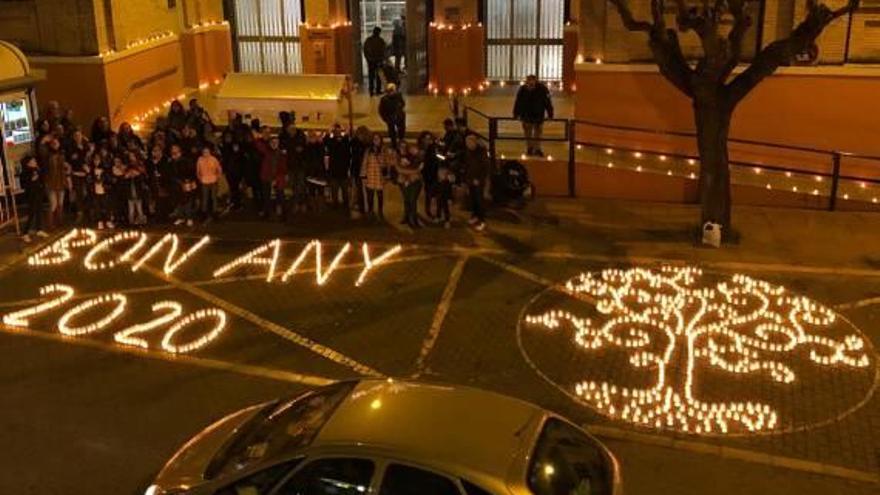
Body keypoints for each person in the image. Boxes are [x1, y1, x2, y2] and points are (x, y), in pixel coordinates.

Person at [513, 74, 554, 156]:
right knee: (529, 133)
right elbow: (518, 102)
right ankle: (530, 148)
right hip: (528, 115)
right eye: (529, 82)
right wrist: (516, 113)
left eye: (531, 81)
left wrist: (550, 113)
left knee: (537, 133)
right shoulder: (523, 89)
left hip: (536, 115)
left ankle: (536, 148)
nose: (530, 83)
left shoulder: (542, 89)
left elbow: (547, 102)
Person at [255, 134, 288, 220]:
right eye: (272, 142)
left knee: (280, 196)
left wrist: (278, 177)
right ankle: (268, 213)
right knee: (266, 196)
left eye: (276, 142)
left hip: (277, 178)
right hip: (267, 177)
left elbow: (283, 167)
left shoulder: (281, 154)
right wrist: (259, 137)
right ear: (269, 143)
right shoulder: (267, 151)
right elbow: (259, 145)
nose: (274, 144)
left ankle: (282, 213)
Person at [462, 134, 490, 231]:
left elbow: (485, 167)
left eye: (469, 143)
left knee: (479, 201)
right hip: (471, 179)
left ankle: (482, 220)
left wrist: (478, 179)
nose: (468, 145)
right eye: (467, 143)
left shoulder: (481, 152)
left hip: (478, 181)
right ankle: (475, 216)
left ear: (474, 142)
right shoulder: (468, 152)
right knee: (473, 199)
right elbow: (467, 166)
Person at [19, 155, 48, 242]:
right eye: (33, 161)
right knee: (32, 213)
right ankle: (24, 233)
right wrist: (31, 179)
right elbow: (23, 185)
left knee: (39, 211)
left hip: (38, 194)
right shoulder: (24, 173)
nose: (35, 162)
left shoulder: (37, 170)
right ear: (28, 164)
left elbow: (42, 179)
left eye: (35, 161)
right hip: (31, 196)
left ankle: (39, 230)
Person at [42, 137, 68, 230]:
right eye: (53, 143)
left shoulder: (62, 154)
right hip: (51, 182)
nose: (55, 145)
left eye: (56, 143)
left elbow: (64, 168)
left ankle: (60, 222)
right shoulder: (47, 155)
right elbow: (45, 169)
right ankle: (50, 224)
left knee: (60, 203)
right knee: (54, 204)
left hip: (60, 181)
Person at [324, 123, 351, 211]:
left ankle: (343, 207)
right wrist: (330, 130)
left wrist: (331, 129)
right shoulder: (333, 142)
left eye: (339, 131)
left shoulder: (343, 141)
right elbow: (325, 140)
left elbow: (347, 134)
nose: (338, 132)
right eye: (336, 131)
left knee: (344, 193)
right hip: (336, 172)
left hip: (341, 171)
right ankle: (340, 207)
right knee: (336, 192)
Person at [397, 141, 423, 228]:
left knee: (412, 200)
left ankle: (413, 219)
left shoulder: (412, 157)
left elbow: (415, 167)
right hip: (403, 181)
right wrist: (414, 171)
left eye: (404, 147)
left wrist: (412, 174)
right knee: (407, 199)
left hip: (414, 181)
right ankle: (407, 217)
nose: (403, 149)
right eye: (401, 147)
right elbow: (400, 169)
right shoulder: (397, 157)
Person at [361, 133, 386, 218]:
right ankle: (371, 211)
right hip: (370, 175)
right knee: (370, 196)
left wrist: (380, 158)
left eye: (378, 139)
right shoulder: (368, 150)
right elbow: (364, 163)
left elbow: (385, 164)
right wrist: (363, 175)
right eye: (374, 139)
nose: (376, 140)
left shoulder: (383, 150)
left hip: (379, 176)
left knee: (380, 196)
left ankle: (380, 211)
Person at [418, 131, 440, 221]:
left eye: (429, 138)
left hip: (434, 173)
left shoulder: (433, 148)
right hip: (426, 174)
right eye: (426, 139)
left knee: (434, 195)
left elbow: (438, 158)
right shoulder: (422, 149)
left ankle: (434, 213)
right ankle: (429, 212)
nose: (428, 140)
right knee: (428, 194)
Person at [197, 145, 222, 221]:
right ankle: (204, 213)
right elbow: (198, 171)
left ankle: (215, 213)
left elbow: (219, 169)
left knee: (214, 197)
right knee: (205, 198)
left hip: (213, 180)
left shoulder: (214, 159)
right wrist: (200, 179)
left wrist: (217, 177)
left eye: (207, 152)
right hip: (204, 181)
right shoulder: (200, 160)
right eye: (204, 152)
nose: (205, 153)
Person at [379, 83, 406, 149]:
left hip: (399, 117)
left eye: (392, 90)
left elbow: (403, 103)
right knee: (392, 132)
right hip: (390, 118)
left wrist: (399, 108)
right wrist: (385, 118)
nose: (391, 92)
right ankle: (394, 145)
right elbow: (381, 110)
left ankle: (401, 142)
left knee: (401, 130)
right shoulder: (384, 99)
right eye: (389, 91)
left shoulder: (399, 96)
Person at [363, 26, 387, 97]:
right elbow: (383, 51)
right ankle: (378, 90)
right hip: (379, 61)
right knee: (378, 76)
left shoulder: (368, 40)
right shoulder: (381, 41)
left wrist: (368, 59)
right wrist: (382, 59)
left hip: (371, 61)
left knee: (371, 76)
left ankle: (371, 91)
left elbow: (365, 51)